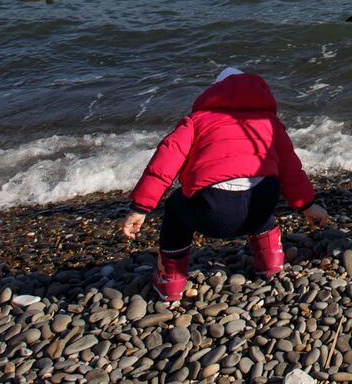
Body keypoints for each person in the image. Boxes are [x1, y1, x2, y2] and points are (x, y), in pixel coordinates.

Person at [121, 67, 332, 302]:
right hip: (257, 209)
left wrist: (140, 208)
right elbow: (290, 169)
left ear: (214, 92)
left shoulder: (196, 121)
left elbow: (164, 163)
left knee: (175, 209)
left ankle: (171, 280)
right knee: (260, 187)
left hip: (212, 212)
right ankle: (270, 261)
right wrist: (308, 206)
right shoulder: (270, 122)